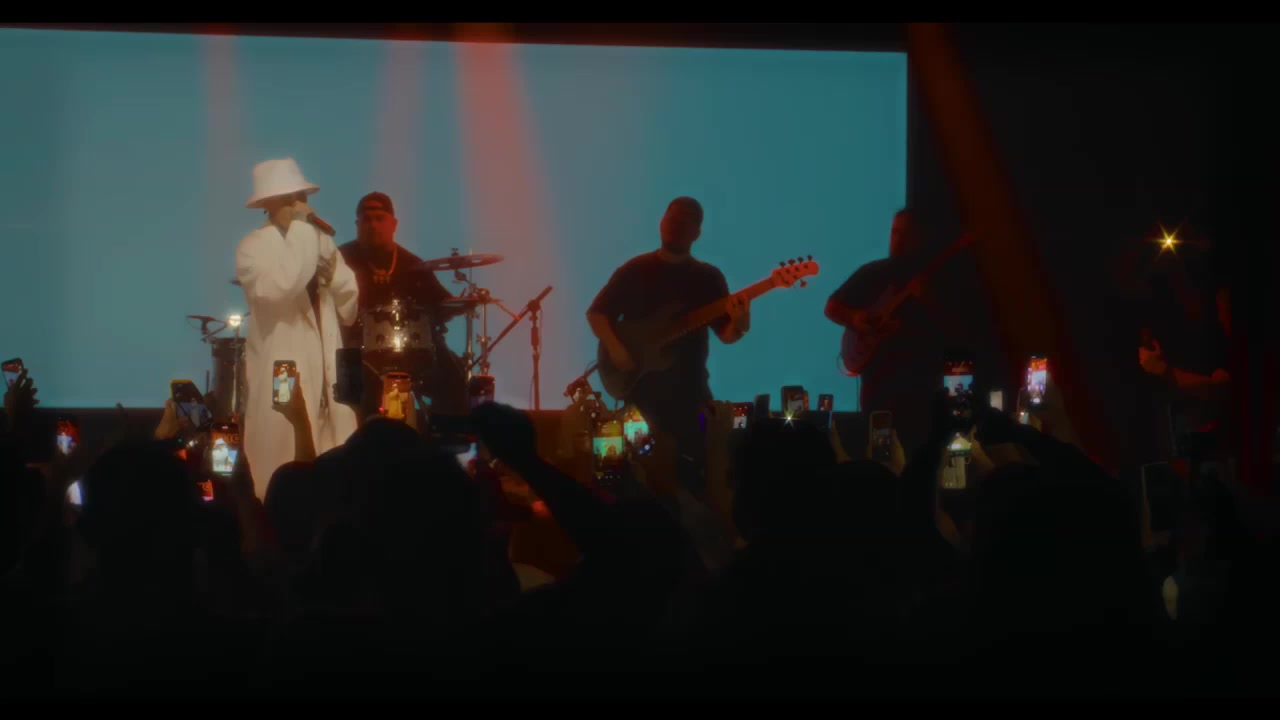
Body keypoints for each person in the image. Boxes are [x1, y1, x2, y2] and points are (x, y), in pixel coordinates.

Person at [587, 197, 750, 499]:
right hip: (637, 398)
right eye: (671, 218)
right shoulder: (635, 270)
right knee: (637, 472)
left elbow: (727, 335)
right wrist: (616, 349)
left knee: (690, 476)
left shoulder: (708, 278)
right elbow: (597, 314)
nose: (675, 225)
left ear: (696, 233)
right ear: (662, 223)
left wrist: (740, 323)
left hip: (691, 397)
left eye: (683, 221)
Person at [236, 158, 360, 496]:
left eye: (301, 196)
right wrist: (304, 232)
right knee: (282, 462)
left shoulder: (319, 241)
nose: (300, 205)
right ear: (269, 203)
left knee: (335, 472)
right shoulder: (253, 247)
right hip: (284, 369)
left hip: (327, 372)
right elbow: (282, 286)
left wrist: (333, 276)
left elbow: (349, 307)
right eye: (290, 198)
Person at [825, 209, 950, 455]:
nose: (898, 240)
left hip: (920, 389)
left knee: (918, 452)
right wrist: (856, 319)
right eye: (895, 232)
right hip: (877, 389)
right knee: (878, 452)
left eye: (906, 234)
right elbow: (832, 307)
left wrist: (929, 299)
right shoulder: (874, 273)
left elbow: (953, 329)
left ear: (920, 238)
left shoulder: (937, 280)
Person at [337, 192, 467, 418]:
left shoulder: (413, 264)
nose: (373, 225)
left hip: (411, 351)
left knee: (453, 374)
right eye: (366, 220)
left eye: (379, 219)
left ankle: (441, 432)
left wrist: (462, 303)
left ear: (394, 224)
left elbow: (441, 304)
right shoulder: (341, 259)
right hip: (354, 348)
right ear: (357, 225)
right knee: (349, 387)